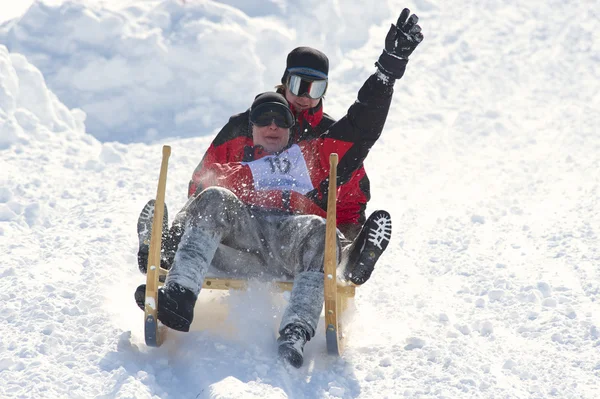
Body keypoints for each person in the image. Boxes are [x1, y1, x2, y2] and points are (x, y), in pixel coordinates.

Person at [135, 9, 423, 368]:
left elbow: (362, 130)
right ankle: (168, 259)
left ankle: (344, 264)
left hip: (295, 247)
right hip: (239, 243)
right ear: (283, 82)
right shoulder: (242, 130)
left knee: (323, 232)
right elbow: (202, 192)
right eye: (299, 85)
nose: (305, 97)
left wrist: (388, 70)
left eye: (315, 89)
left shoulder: (321, 147)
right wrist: (184, 225)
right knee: (212, 202)